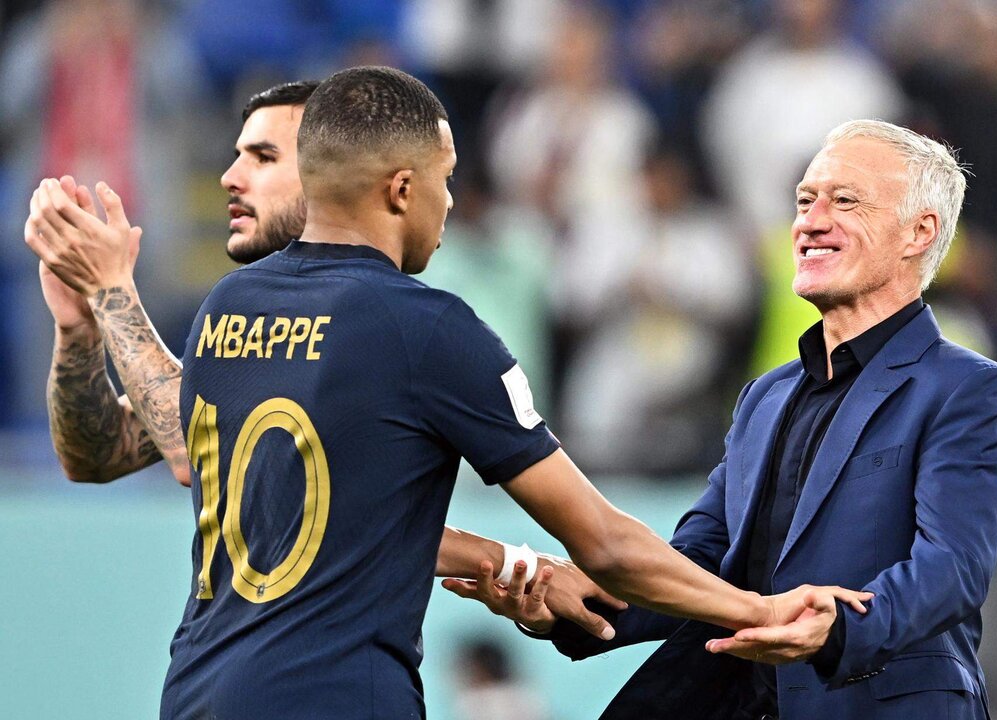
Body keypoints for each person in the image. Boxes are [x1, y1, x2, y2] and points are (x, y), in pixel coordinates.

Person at [27, 66, 870, 719]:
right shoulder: (426, 327)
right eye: (446, 177)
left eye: (260, 155)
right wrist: (757, 611)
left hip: (200, 687)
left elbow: (316, 508)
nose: (452, 200)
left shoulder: (227, 307)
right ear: (402, 187)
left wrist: (500, 559)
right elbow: (605, 544)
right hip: (333, 698)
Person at [453, 119, 997, 720]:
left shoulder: (969, 389)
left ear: (919, 232)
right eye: (805, 201)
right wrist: (581, 603)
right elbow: (701, 563)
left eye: (845, 200)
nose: (810, 220)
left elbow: (951, 570)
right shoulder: (765, 397)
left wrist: (832, 629)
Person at [28, 79, 623, 641]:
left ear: (328, 166)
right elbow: (98, 455)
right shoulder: (249, 315)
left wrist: (114, 292)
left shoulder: (397, 319)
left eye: (263, 157)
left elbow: (193, 457)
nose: (230, 177)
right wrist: (80, 327)